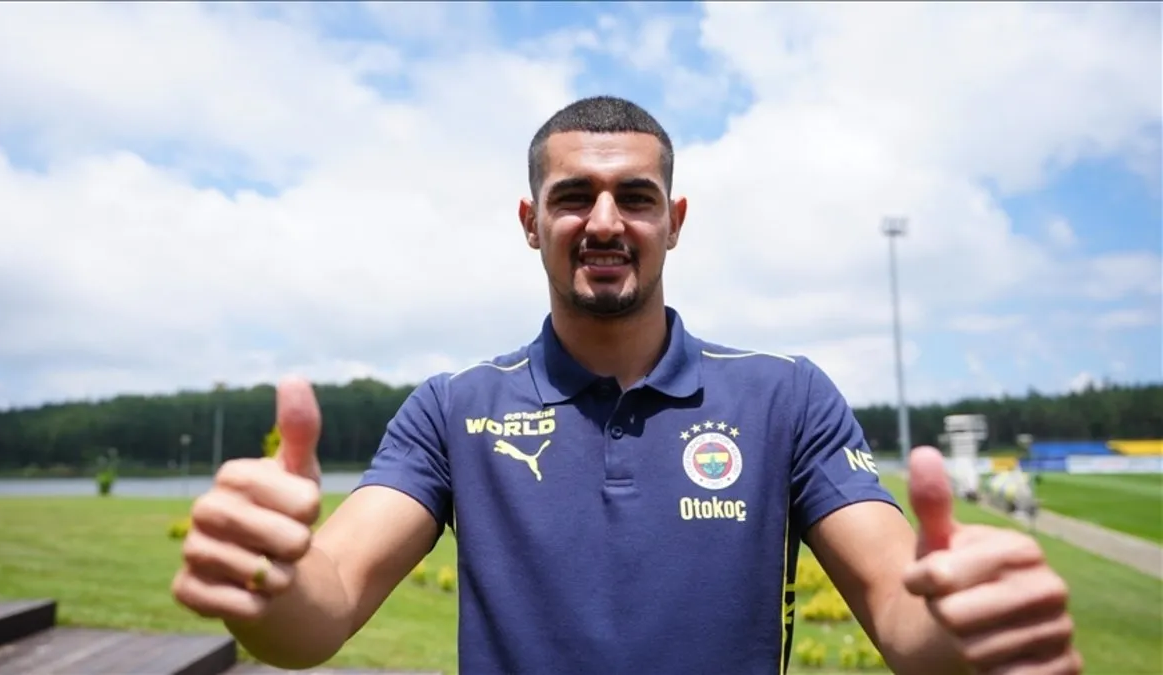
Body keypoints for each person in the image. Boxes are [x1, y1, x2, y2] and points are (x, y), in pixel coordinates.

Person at [172, 96, 1081, 675]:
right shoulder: (453, 409)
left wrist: (955, 618)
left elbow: (897, 608)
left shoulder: (786, 397)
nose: (604, 221)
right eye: (573, 196)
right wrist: (272, 578)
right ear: (531, 222)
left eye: (635, 197)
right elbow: (322, 611)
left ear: (673, 221)